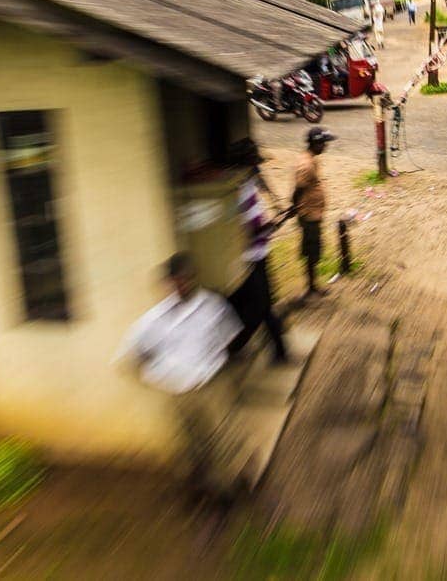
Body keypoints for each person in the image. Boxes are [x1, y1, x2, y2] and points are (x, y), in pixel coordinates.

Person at [116, 252, 249, 502]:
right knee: (189, 442)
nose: (181, 284)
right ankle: (196, 488)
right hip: (176, 392)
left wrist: (223, 372)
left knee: (224, 438)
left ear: (193, 278)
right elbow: (131, 357)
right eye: (175, 280)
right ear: (167, 282)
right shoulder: (153, 319)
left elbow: (231, 340)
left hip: (210, 385)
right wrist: (156, 375)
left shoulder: (212, 306)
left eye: (186, 278)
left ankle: (226, 488)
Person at [225, 138, 289, 364]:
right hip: (250, 257)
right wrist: (272, 224)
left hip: (260, 252)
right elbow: (251, 231)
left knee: (262, 303)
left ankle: (273, 347)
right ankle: (273, 351)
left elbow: (261, 179)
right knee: (260, 308)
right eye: (253, 162)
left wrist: (277, 208)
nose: (256, 167)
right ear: (245, 163)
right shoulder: (241, 192)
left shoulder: (248, 180)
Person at [293, 126, 336, 297]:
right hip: (309, 215)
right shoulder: (307, 165)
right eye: (324, 143)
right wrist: (296, 206)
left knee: (313, 249)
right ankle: (311, 287)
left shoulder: (311, 159)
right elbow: (298, 189)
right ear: (316, 143)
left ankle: (312, 285)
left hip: (312, 213)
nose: (326, 146)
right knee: (312, 250)